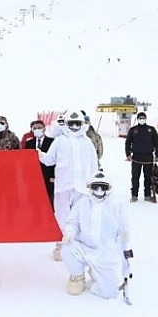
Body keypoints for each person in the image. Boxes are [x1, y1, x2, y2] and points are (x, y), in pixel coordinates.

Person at [39, 111, 98, 261]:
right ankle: (60, 246)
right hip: (63, 186)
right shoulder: (59, 141)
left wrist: (93, 183)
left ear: (82, 124)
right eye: (71, 124)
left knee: (81, 218)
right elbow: (48, 160)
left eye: (77, 123)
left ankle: (79, 247)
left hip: (83, 188)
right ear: (66, 124)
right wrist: (37, 153)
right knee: (61, 217)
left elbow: (94, 165)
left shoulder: (87, 142)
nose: (74, 126)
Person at [61, 171, 130, 299]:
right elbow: (73, 222)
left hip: (106, 253)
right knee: (66, 247)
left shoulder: (116, 205)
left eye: (102, 187)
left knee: (109, 293)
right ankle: (77, 277)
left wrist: (125, 251)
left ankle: (98, 273)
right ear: (89, 187)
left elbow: (124, 230)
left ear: (108, 188)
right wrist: (69, 234)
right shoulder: (82, 203)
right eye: (95, 186)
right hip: (84, 248)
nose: (99, 190)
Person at [124, 112, 158, 202]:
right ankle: (134, 195)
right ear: (137, 119)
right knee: (135, 177)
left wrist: (157, 155)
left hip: (148, 157)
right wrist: (128, 154)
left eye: (143, 118)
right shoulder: (133, 130)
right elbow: (128, 142)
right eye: (140, 118)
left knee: (148, 177)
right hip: (136, 157)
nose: (141, 119)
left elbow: (157, 142)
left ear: (146, 118)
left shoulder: (151, 129)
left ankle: (147, 195)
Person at [24, 120, 55, 207]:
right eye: (35, 128)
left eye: (39, 128)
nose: (37, 130)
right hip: (34, 177)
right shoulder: (29, 143)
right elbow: (26, 161)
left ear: (44, 129)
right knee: (35, 202)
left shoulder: (52, 142)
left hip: (48, 177)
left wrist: (53, 176)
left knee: (49, 201)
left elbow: (55, 159)